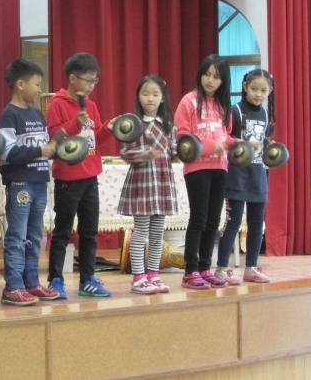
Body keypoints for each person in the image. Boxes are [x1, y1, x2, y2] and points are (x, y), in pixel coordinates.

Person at [46, 52, 117, 298]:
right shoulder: (57, 104)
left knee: (89, 232)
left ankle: (88, 279)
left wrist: (108, 129)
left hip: (90, 177)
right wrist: (75, 123)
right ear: (73, 78)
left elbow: (94, 139)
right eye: (88, 80)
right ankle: (55, 280)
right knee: (62, 232)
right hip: (68, 178)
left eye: (95, 81)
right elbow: (54, 138)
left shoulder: (91, 105)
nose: (92, 85)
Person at [0, 58, 60, 305]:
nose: (40, 90)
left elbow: (43, 148)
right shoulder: (9, 115)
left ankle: (31, 282)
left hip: (39, 182)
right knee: (17, 235)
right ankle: (13, 286)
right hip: (20, 184)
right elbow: (6, 153)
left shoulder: (37, 114)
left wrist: (54, 149)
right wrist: (40, 151)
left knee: (35, 235)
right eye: (36, 84)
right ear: (20, 84)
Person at [174, 54, 234, 290]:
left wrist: (240, 145)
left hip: (220, 167)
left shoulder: (223, 105)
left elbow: (225, 137)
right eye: (207, 74)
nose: (210, 80)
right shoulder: (188, 101)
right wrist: (210, 147)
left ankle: (205, 268)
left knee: (213, 220)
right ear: (200, 75)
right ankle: (190, 271)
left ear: (223, 81)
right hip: (197, 168)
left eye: (216, 77)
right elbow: (183, 138)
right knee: (198, 219)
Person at [117, 75, 178, 294]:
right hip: (142, 185)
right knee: (140, 231)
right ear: (138, 96)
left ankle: (153, 274)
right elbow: (125, 152)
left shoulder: (168, 125)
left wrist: (186, 150)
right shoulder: (133, 124)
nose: (150, 98)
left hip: (161, 184)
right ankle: (138, 277)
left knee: (157, 233)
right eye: (145, 94)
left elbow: (175, 152)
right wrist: (145, 154)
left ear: (162, 98)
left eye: (155, 94)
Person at [215, 69, 275, 284]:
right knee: (232, 223)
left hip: (258, 175)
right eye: (254, 89)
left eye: (263, 90)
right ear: (245, 87)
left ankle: (251, 267)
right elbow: (225, 139)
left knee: (257, 224)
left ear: (269, 91)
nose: (258, 94)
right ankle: (221, 269)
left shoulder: (265, 113)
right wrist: (244, 144)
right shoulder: (235, 111)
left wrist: (270, 147)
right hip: (236, 175)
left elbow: (264, 140)